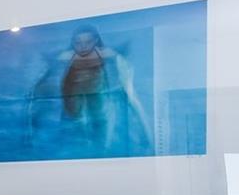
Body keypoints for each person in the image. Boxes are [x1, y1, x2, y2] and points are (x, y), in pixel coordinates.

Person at [35, 24, 154, 156]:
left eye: (88, 42)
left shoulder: (110, 56)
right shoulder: (65, 57)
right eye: (78, 42)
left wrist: (146, 136)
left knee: (101, 149)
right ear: (72, 42)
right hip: (73, 112)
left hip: (100, 111)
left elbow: (132, 99)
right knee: (75, 148)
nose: (83, 46)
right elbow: (40, 89)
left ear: (96, 40)